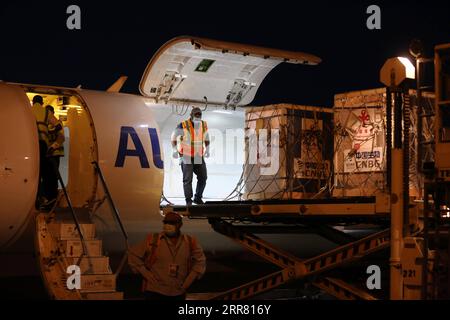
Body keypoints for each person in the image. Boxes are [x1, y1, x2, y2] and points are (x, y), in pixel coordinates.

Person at [128, 212, 206, 300]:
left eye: (172, 223)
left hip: (178, 292)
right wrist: (147, 275)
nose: (167, 225)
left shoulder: (190, 242)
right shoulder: (153, 239)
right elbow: (133, 255)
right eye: (165, 222)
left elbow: (200, 262)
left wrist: (187, 282)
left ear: (179, 225)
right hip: (155, 292)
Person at [171, 107, 210, 205]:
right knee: (188, 179)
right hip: (186, 155)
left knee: (203, 177)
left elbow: (206, 137)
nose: (197, 117)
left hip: (198, 156)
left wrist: (208, 149)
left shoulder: (203, 125)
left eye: (199, 115)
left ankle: (197, 198)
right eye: (196, 115)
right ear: (191, 115)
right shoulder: (183, 125)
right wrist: (175, 150)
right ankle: (188, 200)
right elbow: (173, 137)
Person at [31, 95, 62, 209]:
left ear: (33, 102)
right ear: (42, 103)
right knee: (47, 173)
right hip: (44, 145)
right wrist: (51, 131)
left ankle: (36, 198)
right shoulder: (46, 112)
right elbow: (58, 125)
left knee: (35, 174)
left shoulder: (28, 110)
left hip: (32, 144)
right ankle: (49, 199)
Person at [45, 105, 65, 207]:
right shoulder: (46, 125)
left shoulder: (58, 124)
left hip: (54, 154)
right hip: (48, 155)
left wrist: (52, 148)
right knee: (48, 176)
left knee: (53, 176)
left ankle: (53, 199)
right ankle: (49, 198)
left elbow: (61, 138)